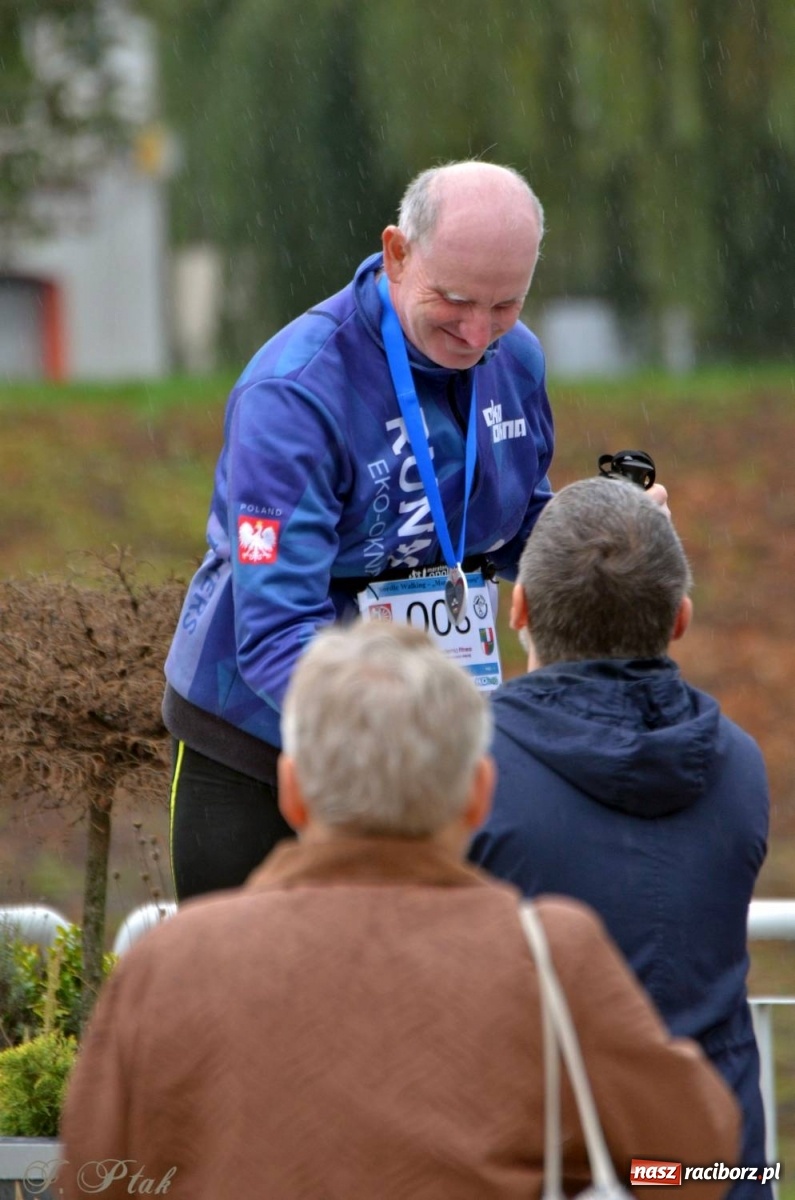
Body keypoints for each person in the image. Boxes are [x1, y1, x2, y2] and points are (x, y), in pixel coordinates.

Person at [62, 622, 738, 1200]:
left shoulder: (169, 963)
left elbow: (92, 1178)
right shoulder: (548, 956)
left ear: (292, 792)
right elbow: (696, 1166)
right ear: (477, 794)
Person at [162, 159, 560, 901]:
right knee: (254, 999)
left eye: (505, 305)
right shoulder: (295, 392)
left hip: (422, 745)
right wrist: (397, 752)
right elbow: (275, 632)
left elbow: (515, 528)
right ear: (396, 253)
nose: (477, 333)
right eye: (454, 299)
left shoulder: (517, 360)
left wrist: (605, 540)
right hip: (259, 737)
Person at [468, 477, 770, 1200]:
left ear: (519, 607)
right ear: (680, 620)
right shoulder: (738, 765)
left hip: (538, 1165)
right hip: (713, 1168)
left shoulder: (465, 771)